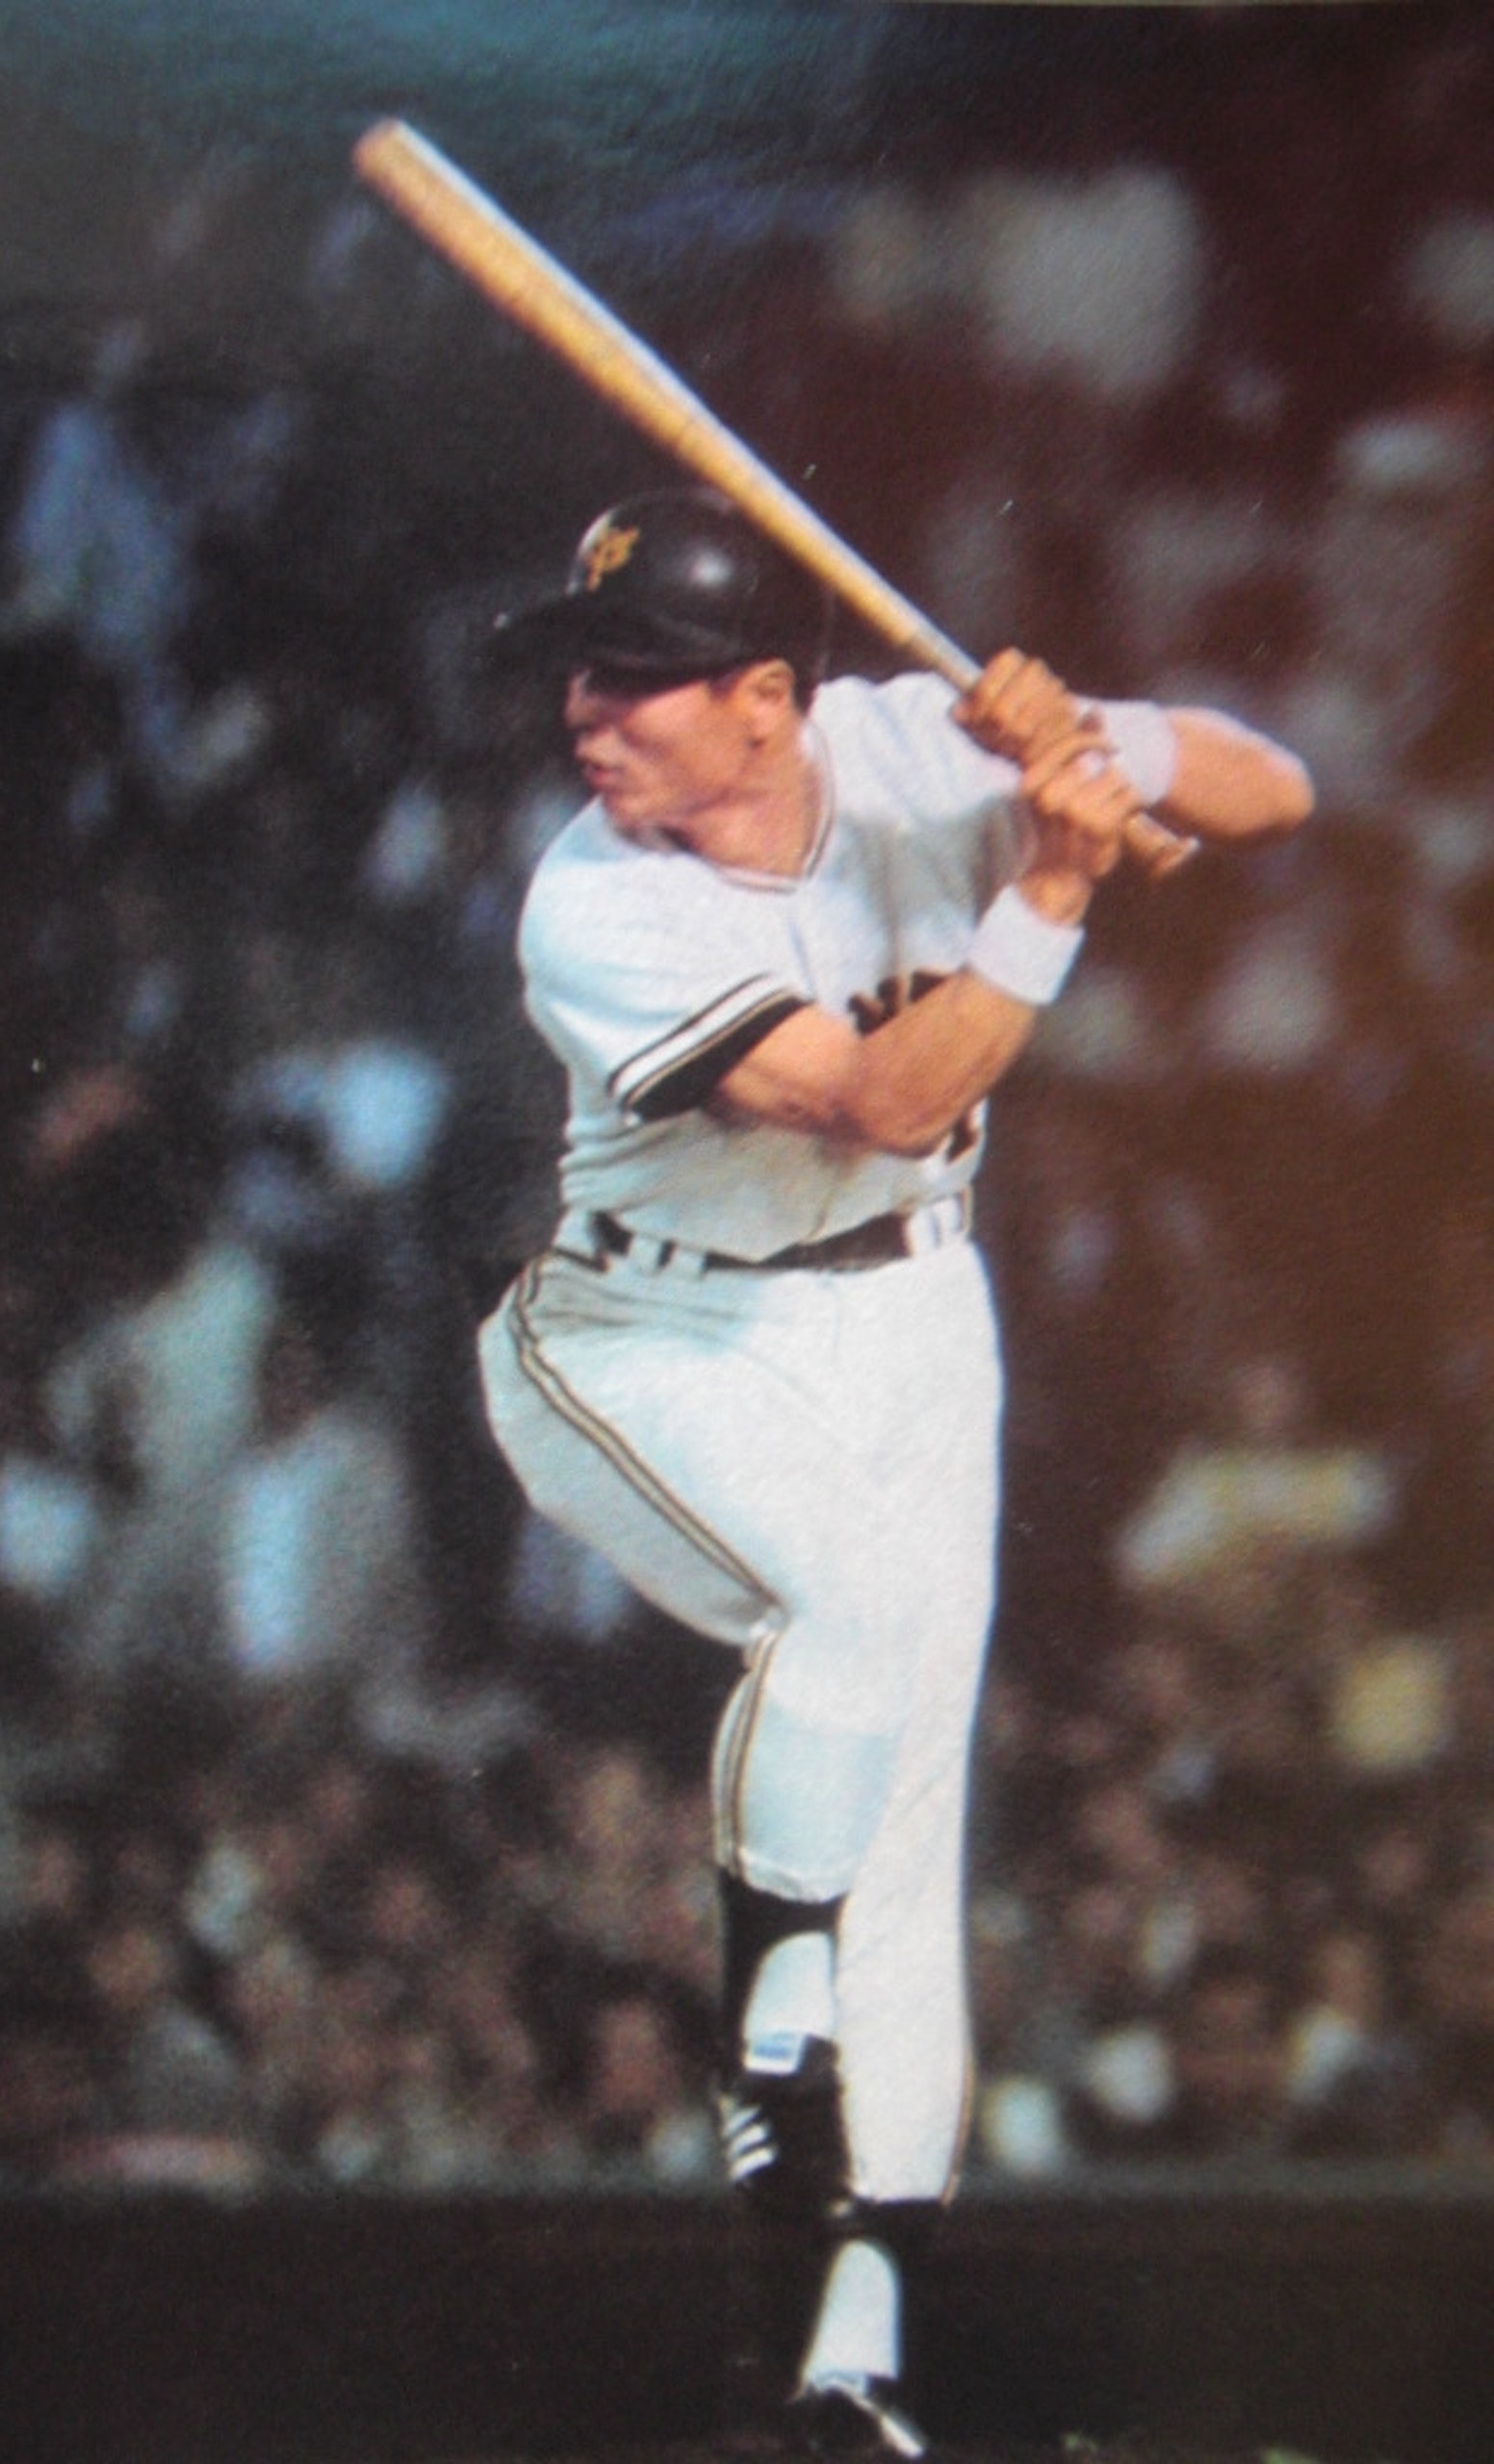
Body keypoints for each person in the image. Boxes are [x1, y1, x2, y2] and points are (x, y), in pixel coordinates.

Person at [475, 487, 1312, 2456]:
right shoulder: (595, 898)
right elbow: (880, 1099)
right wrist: (1053, 886)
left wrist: (1081, 746)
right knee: (844, 1604)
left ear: (768, 700)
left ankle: (847, 2372)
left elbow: (1270, 787)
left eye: (640, 677)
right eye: (583, 672)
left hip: (913, 1311)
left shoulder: (922, 744)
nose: (589, 713)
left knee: (914, 1812)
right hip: (646, 1329)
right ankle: (775, 2034)